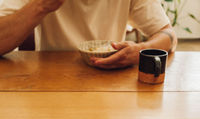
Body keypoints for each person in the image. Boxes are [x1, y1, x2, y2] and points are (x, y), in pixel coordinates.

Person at [0, 0, 177, 69]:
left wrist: (142, 49)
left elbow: (168, 35)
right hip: (50, 82)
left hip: (111, 80)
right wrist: (40, 6)